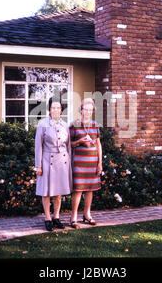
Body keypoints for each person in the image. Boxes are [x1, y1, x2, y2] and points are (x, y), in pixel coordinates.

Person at [34, 98, 72, 231]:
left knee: (58, 192)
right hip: (46, 160)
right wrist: (38, 165)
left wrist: (69, 164)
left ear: (61, 110)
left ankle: (56, 217)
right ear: (49, 110)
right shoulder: (42, 124)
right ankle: (47, 218)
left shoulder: (65, 125)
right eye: (53, 108)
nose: (56, 110)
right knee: (46, 191)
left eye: (58, 108)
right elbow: (38, 146)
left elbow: (68, 147)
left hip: (62, 161)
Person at [69, 98, 103, 229]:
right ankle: (73, 217)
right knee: (78, 190)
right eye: (85, 109)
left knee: (90, 190)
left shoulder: (95, 125)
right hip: (78, 163)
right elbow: (69, 144)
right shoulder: (74, 125)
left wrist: (100, 163)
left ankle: (87, 215)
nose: (88, 112)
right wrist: (80, 142)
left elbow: (99, 145)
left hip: (93, 163)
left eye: (90, 110)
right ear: (81, 110)